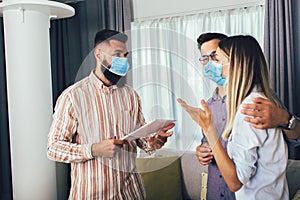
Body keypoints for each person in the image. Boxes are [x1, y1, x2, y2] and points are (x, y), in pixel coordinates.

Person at [47, 29, 175, 200]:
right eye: (117, 54)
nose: (124, 60)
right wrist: (93, 149)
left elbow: (142, 141)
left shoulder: (130, 95)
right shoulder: (72, 97)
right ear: (99, 54)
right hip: (92, 195)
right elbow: (53, 148)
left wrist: (155, 141)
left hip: (132, 193)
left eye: (125, 55)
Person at [178, 35, 289, 199]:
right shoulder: (214, 105)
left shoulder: (252, 108)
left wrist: (210, 130)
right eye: (205, 59)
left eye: (218, 60)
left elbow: (235, 182)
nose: (218, 68)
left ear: (236, 64)